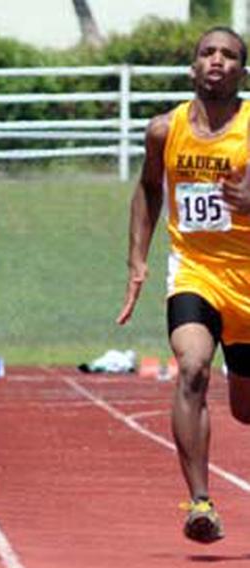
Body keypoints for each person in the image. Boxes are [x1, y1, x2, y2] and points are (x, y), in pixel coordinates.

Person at [117, 26, 250, 544]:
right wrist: (137, 261)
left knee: (244, 408)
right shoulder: (164, 130)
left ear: (241, 70)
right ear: (193, 66)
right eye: (208, 53)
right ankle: (200, 501)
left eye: (230, 55)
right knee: (191, 367)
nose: (217, 61)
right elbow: (149, 190)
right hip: (195, 271)